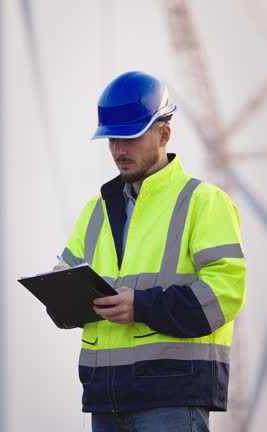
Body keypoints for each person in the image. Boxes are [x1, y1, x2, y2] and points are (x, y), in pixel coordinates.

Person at [50, 71, 247, 432]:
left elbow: (225, 295)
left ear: (164, 134)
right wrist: (58, 296)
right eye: (112, 139)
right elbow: (63, 290)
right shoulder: (96, 210)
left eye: (130, 138)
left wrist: (141, 305)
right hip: (105, 400)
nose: (119, 150)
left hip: (171, 396)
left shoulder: (204, 203)